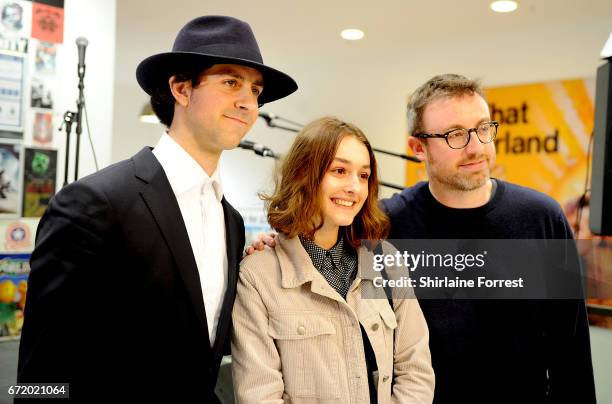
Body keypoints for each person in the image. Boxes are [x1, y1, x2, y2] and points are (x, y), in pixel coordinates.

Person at [249, 74, 596, 403]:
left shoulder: (542, 219)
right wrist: (273, 242)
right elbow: (315, 246)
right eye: (455, 134)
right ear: (418, 147)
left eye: (482, 129)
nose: (475, 147)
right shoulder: (381, 225)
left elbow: (572, 352)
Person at [17, 15, 297, 401]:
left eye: (255, 90)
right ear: (182, 88)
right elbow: (39, 374)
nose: (248, 102)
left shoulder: (230, 221)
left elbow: (205, 345)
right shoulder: (94, 204)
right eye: (231, 82)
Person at [232, 117, 435, 403]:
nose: (355, 187)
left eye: (363, 175)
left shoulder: (384, 262)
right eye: (339, 170)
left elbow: (415, 371)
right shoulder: (258, 275)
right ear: (304, 174)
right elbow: (259, 395)